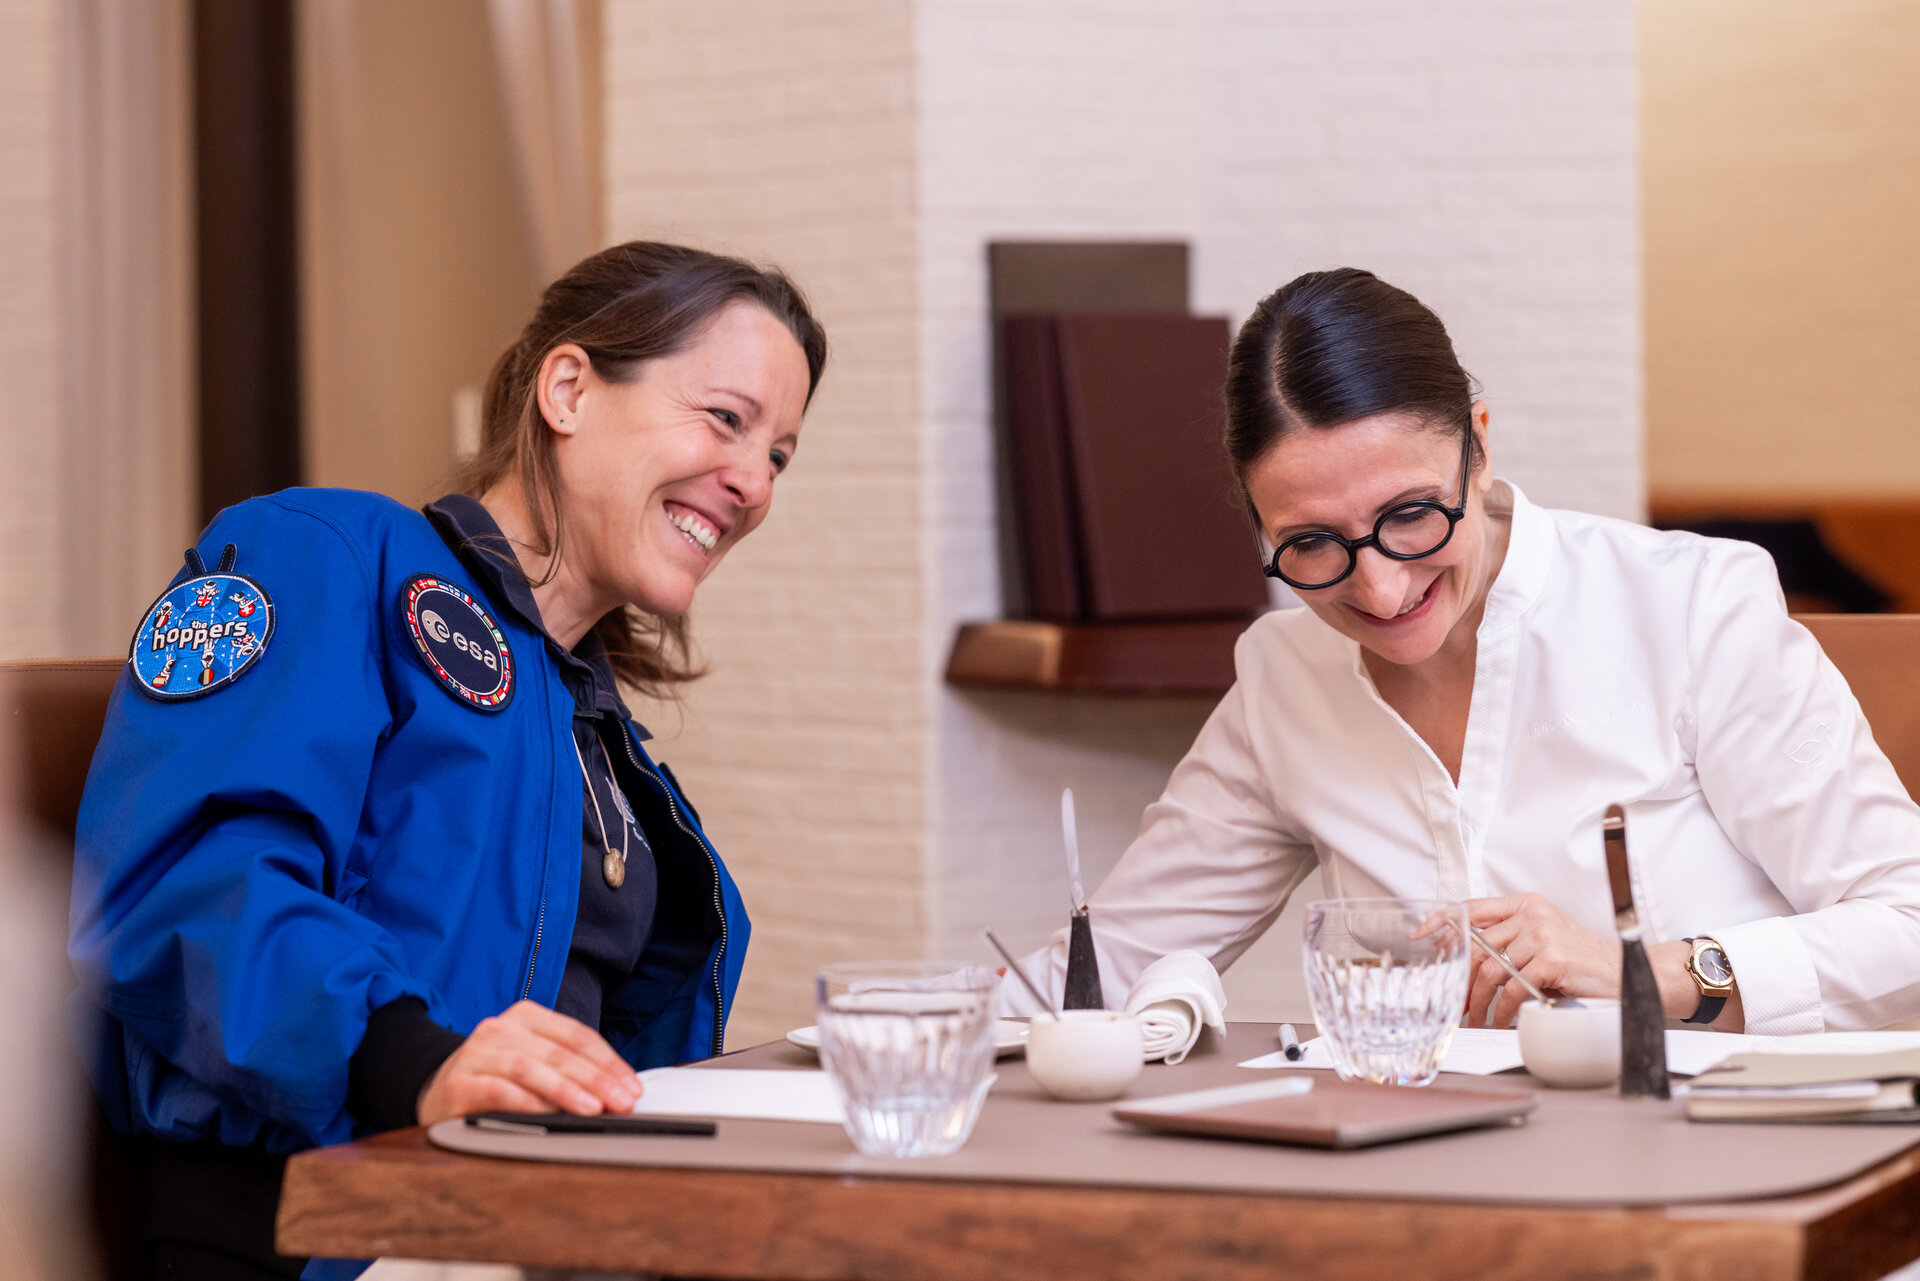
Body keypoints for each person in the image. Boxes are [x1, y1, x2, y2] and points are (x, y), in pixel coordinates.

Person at [69, 241, 827, 1281]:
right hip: (325, 1228)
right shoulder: (328, 555)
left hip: (515, 1221)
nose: (752, 481)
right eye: (727, 419)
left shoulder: (597, 734)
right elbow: (191, 887)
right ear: (569, 389)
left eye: (780, 455)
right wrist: (420, 1067)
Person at [1011, 267, 1920, 1037]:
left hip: (1729, 1172)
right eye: (1312, 545)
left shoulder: (1688, 607)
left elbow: (1907, 920)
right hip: (1431, 1187)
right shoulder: (1284, 679)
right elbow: (1106, 967)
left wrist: (1652, 973)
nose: (1380, 591)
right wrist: (912, 1034)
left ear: (1478, 445)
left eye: (1410, 516)